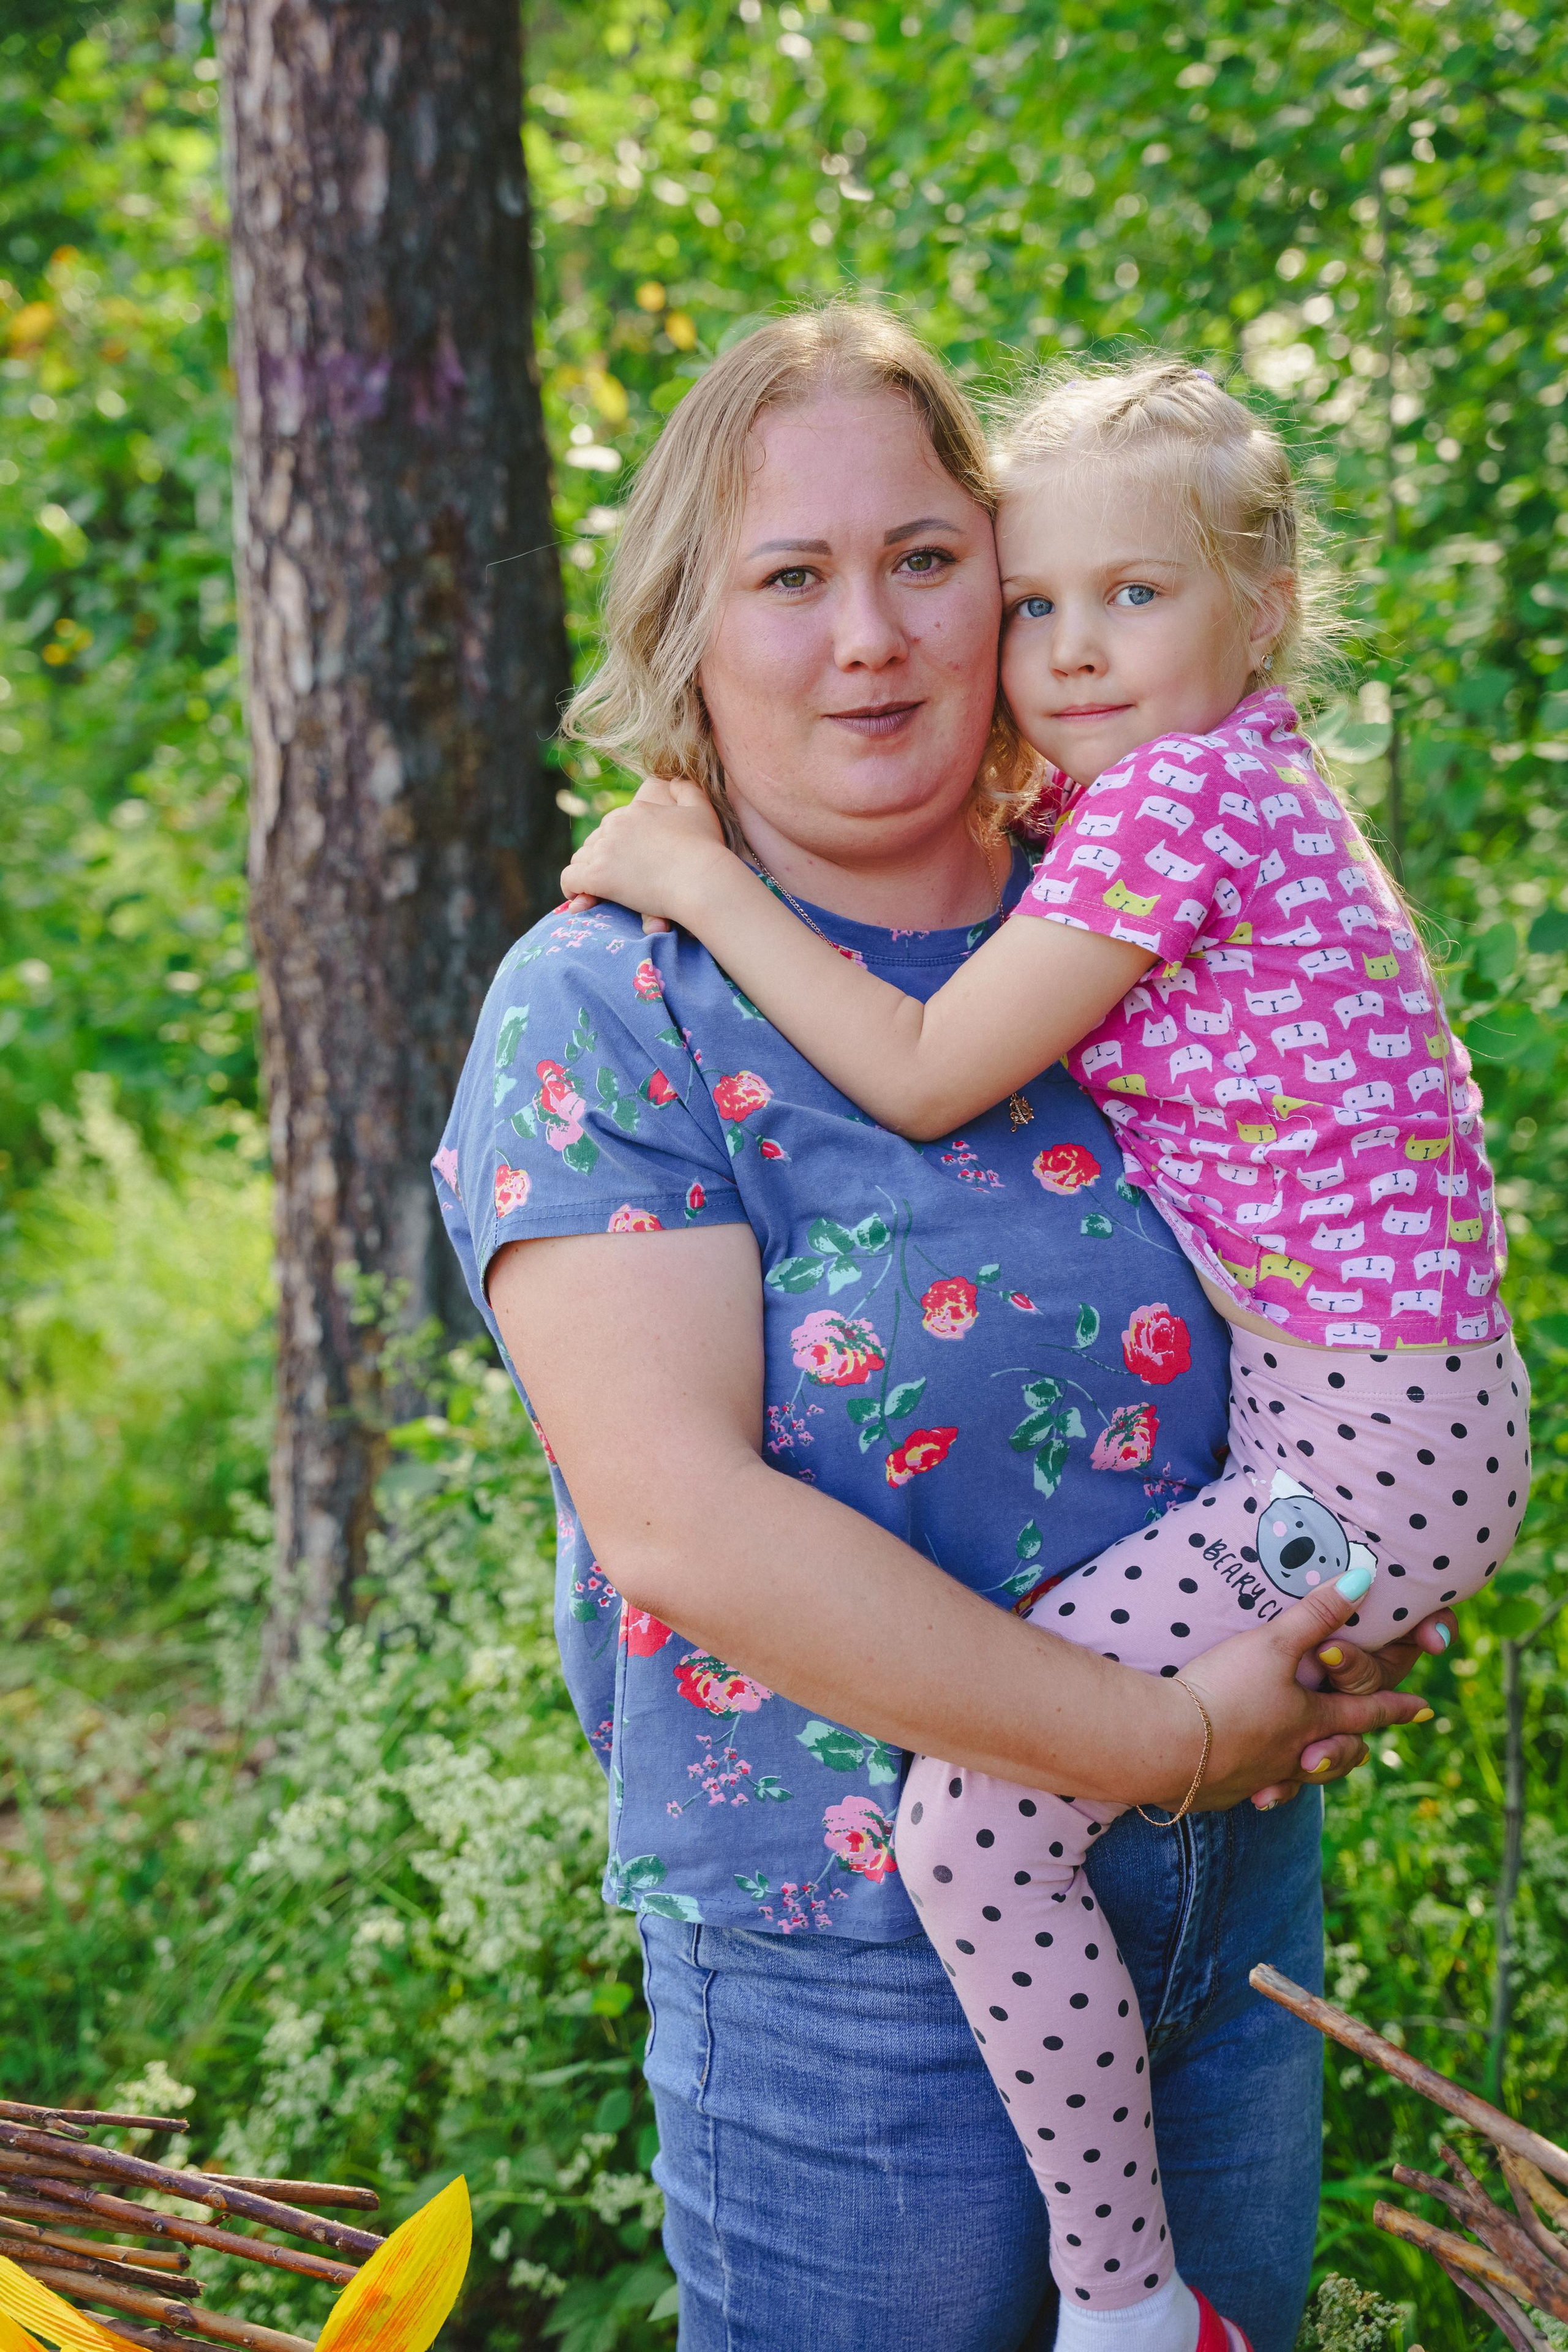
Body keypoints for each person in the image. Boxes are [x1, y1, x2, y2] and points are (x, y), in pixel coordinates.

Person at [433, 309, 1444, 2352]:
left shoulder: (1126, 919)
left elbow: (1340, 1293)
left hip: (1220, 1917)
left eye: (920, 558)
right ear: (688, 633)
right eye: (791, 580)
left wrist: (1351, 1578)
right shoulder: (613, 1003)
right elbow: (683, 1531)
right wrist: (1160, 1734)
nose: (872, 636)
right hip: (853, 1969)